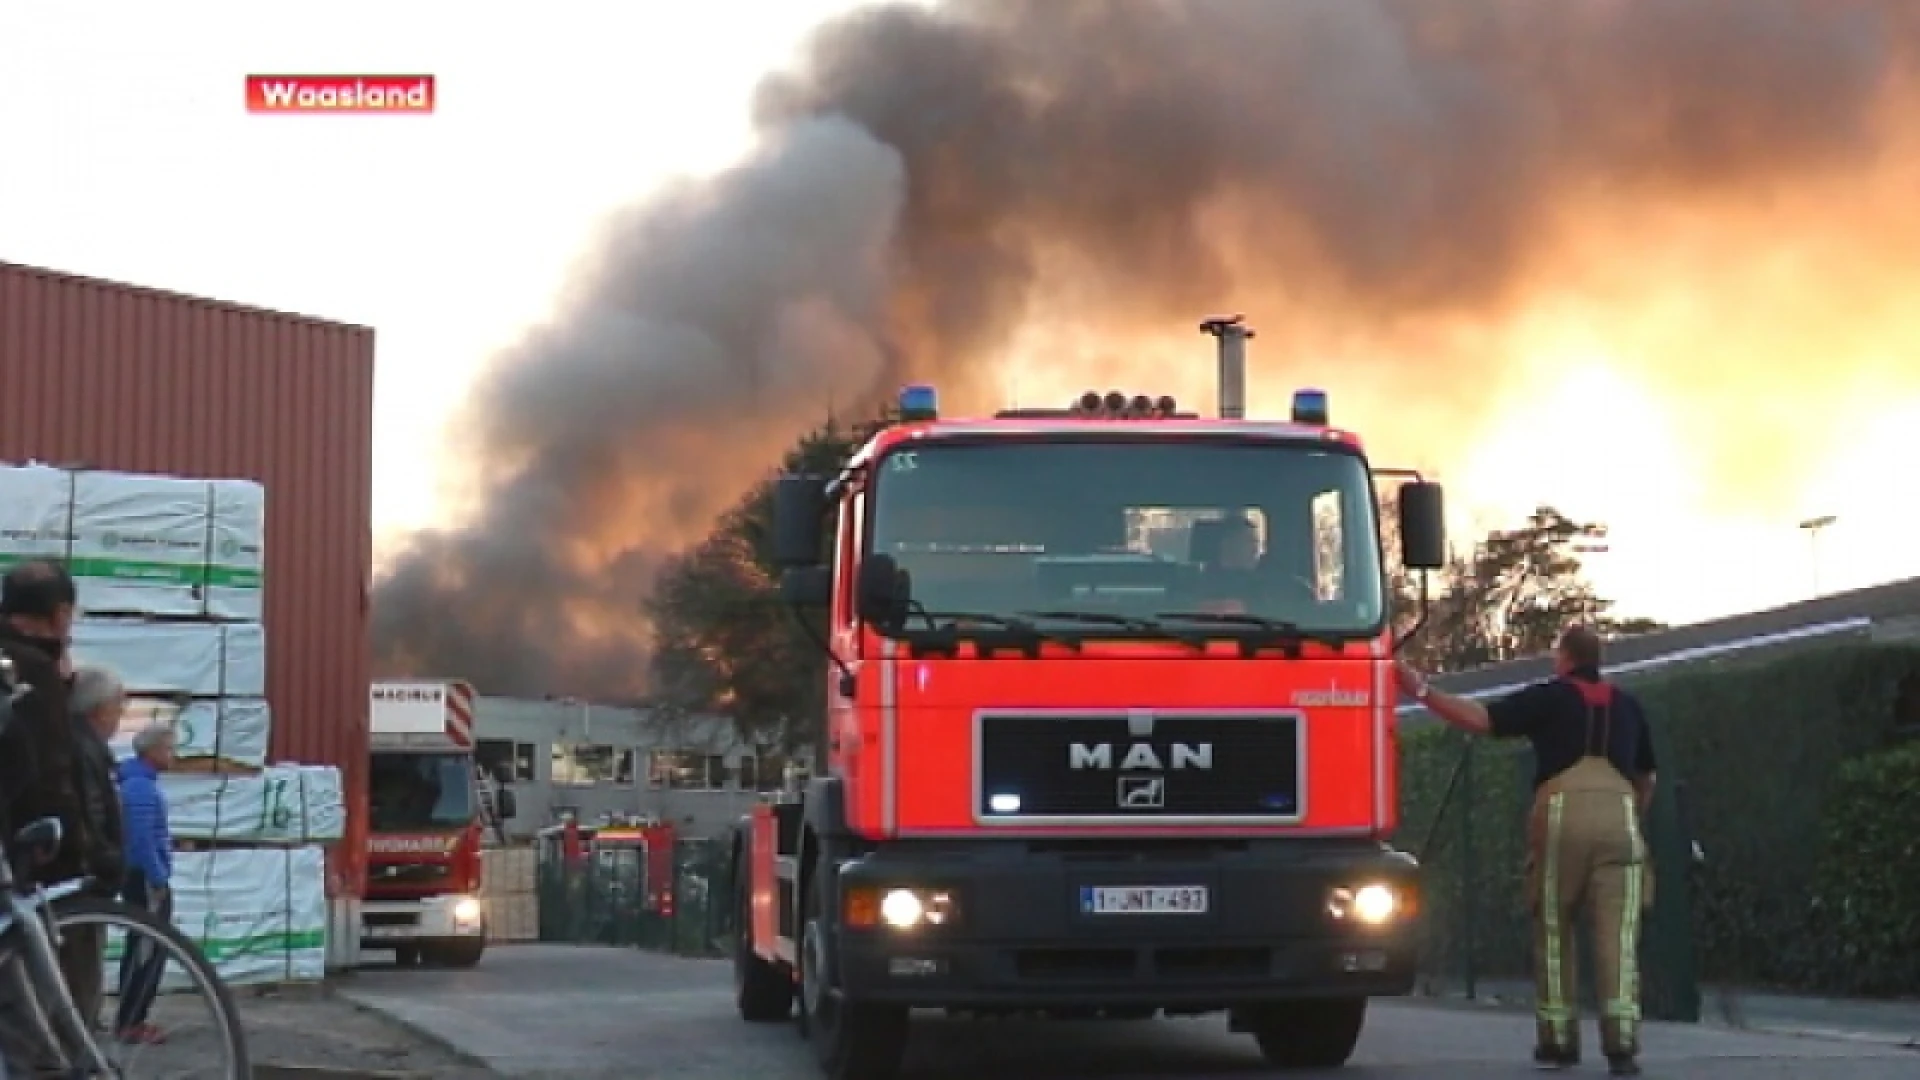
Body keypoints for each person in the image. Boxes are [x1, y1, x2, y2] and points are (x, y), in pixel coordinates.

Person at [1396, 625, 1656, 1077]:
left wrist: (1419, 689)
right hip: (1621, 821)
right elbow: (1647, 777)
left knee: (1554, 927)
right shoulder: (1629, 705)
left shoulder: (1549, 697)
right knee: (1618, 936)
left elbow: (1481, 719)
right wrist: (1632, 817)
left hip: (1561, 817)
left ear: (1565, 658)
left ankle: (1558, 1041)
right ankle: (1623, 1044)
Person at [0, 561, 88, 1076]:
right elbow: (50, 774)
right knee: (34, 1021)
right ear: (59, 614)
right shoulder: (30, 673)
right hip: (29, 856)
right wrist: (76, 852)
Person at [60, 667, 129, 1033]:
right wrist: (107, 865)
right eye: (118, 706)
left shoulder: (86, 746)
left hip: (86, 881)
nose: (120, 716)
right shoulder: (85, 750)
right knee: (80, 982)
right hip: (86, 884)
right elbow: (92, 816)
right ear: (99, 709)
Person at [116, 722, 176, 1045]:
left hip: (141, 878)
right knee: (147, 949)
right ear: (152, 751)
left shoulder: (139, 782)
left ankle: (132, 1017)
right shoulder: (140, 787)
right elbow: (140, 840)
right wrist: (158, 878)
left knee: (143, 947)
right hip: (145, 881)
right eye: (168, 748)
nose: (173, 755)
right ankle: (132, 1021)